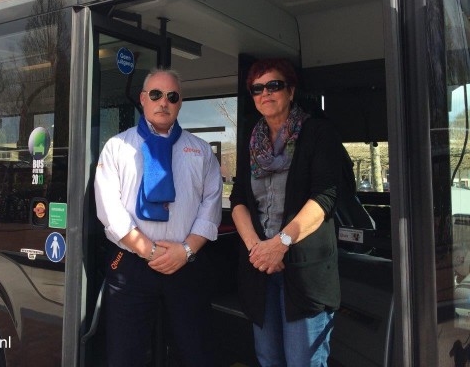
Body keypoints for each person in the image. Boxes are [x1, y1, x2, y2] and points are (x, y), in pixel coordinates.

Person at [94, 68, 222, 367]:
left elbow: (212, 204)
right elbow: (109, 208)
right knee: (126, 356)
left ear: (180, 103)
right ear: (143, 99)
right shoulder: (117, 147)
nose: (164, 102)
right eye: (156, 95)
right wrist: (148, 251)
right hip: (131, 268)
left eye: (172, 96)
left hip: (185, 265)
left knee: (195, 353)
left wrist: (185, 250)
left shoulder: (200, 151)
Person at [230, 58, 341, 367]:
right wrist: (257, 249)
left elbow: (324, 196)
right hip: (260, 269)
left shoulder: (317, 132)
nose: (265, 93)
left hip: (304, 273)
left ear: (291, 91)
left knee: (302, 361)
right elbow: (239, 199)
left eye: (274, 85)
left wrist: (281, 244)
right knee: (268, 359)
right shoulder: (251, 141)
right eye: (257, 89)